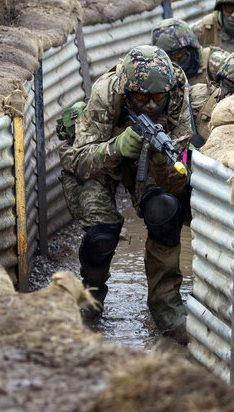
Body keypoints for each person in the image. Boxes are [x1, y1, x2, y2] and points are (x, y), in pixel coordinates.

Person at [59, 45, 193, 343]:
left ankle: (164, 299)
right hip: (98, 160)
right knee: (102, 233)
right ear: (128, 91)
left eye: (157, 97)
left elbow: (177, 174)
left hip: (148, 159)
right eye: (142, 98)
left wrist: (161, 159)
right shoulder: (107, 92)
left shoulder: (176, 94)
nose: (150, 106)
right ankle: (91, 292)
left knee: (164, 209)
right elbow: (78, 159)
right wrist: (117, 147)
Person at [151, 18, 229, 86]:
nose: (173, 63)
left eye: (177, 56)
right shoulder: (161, 73)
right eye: (166, 58)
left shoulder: (216, 62)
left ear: (191, 48)